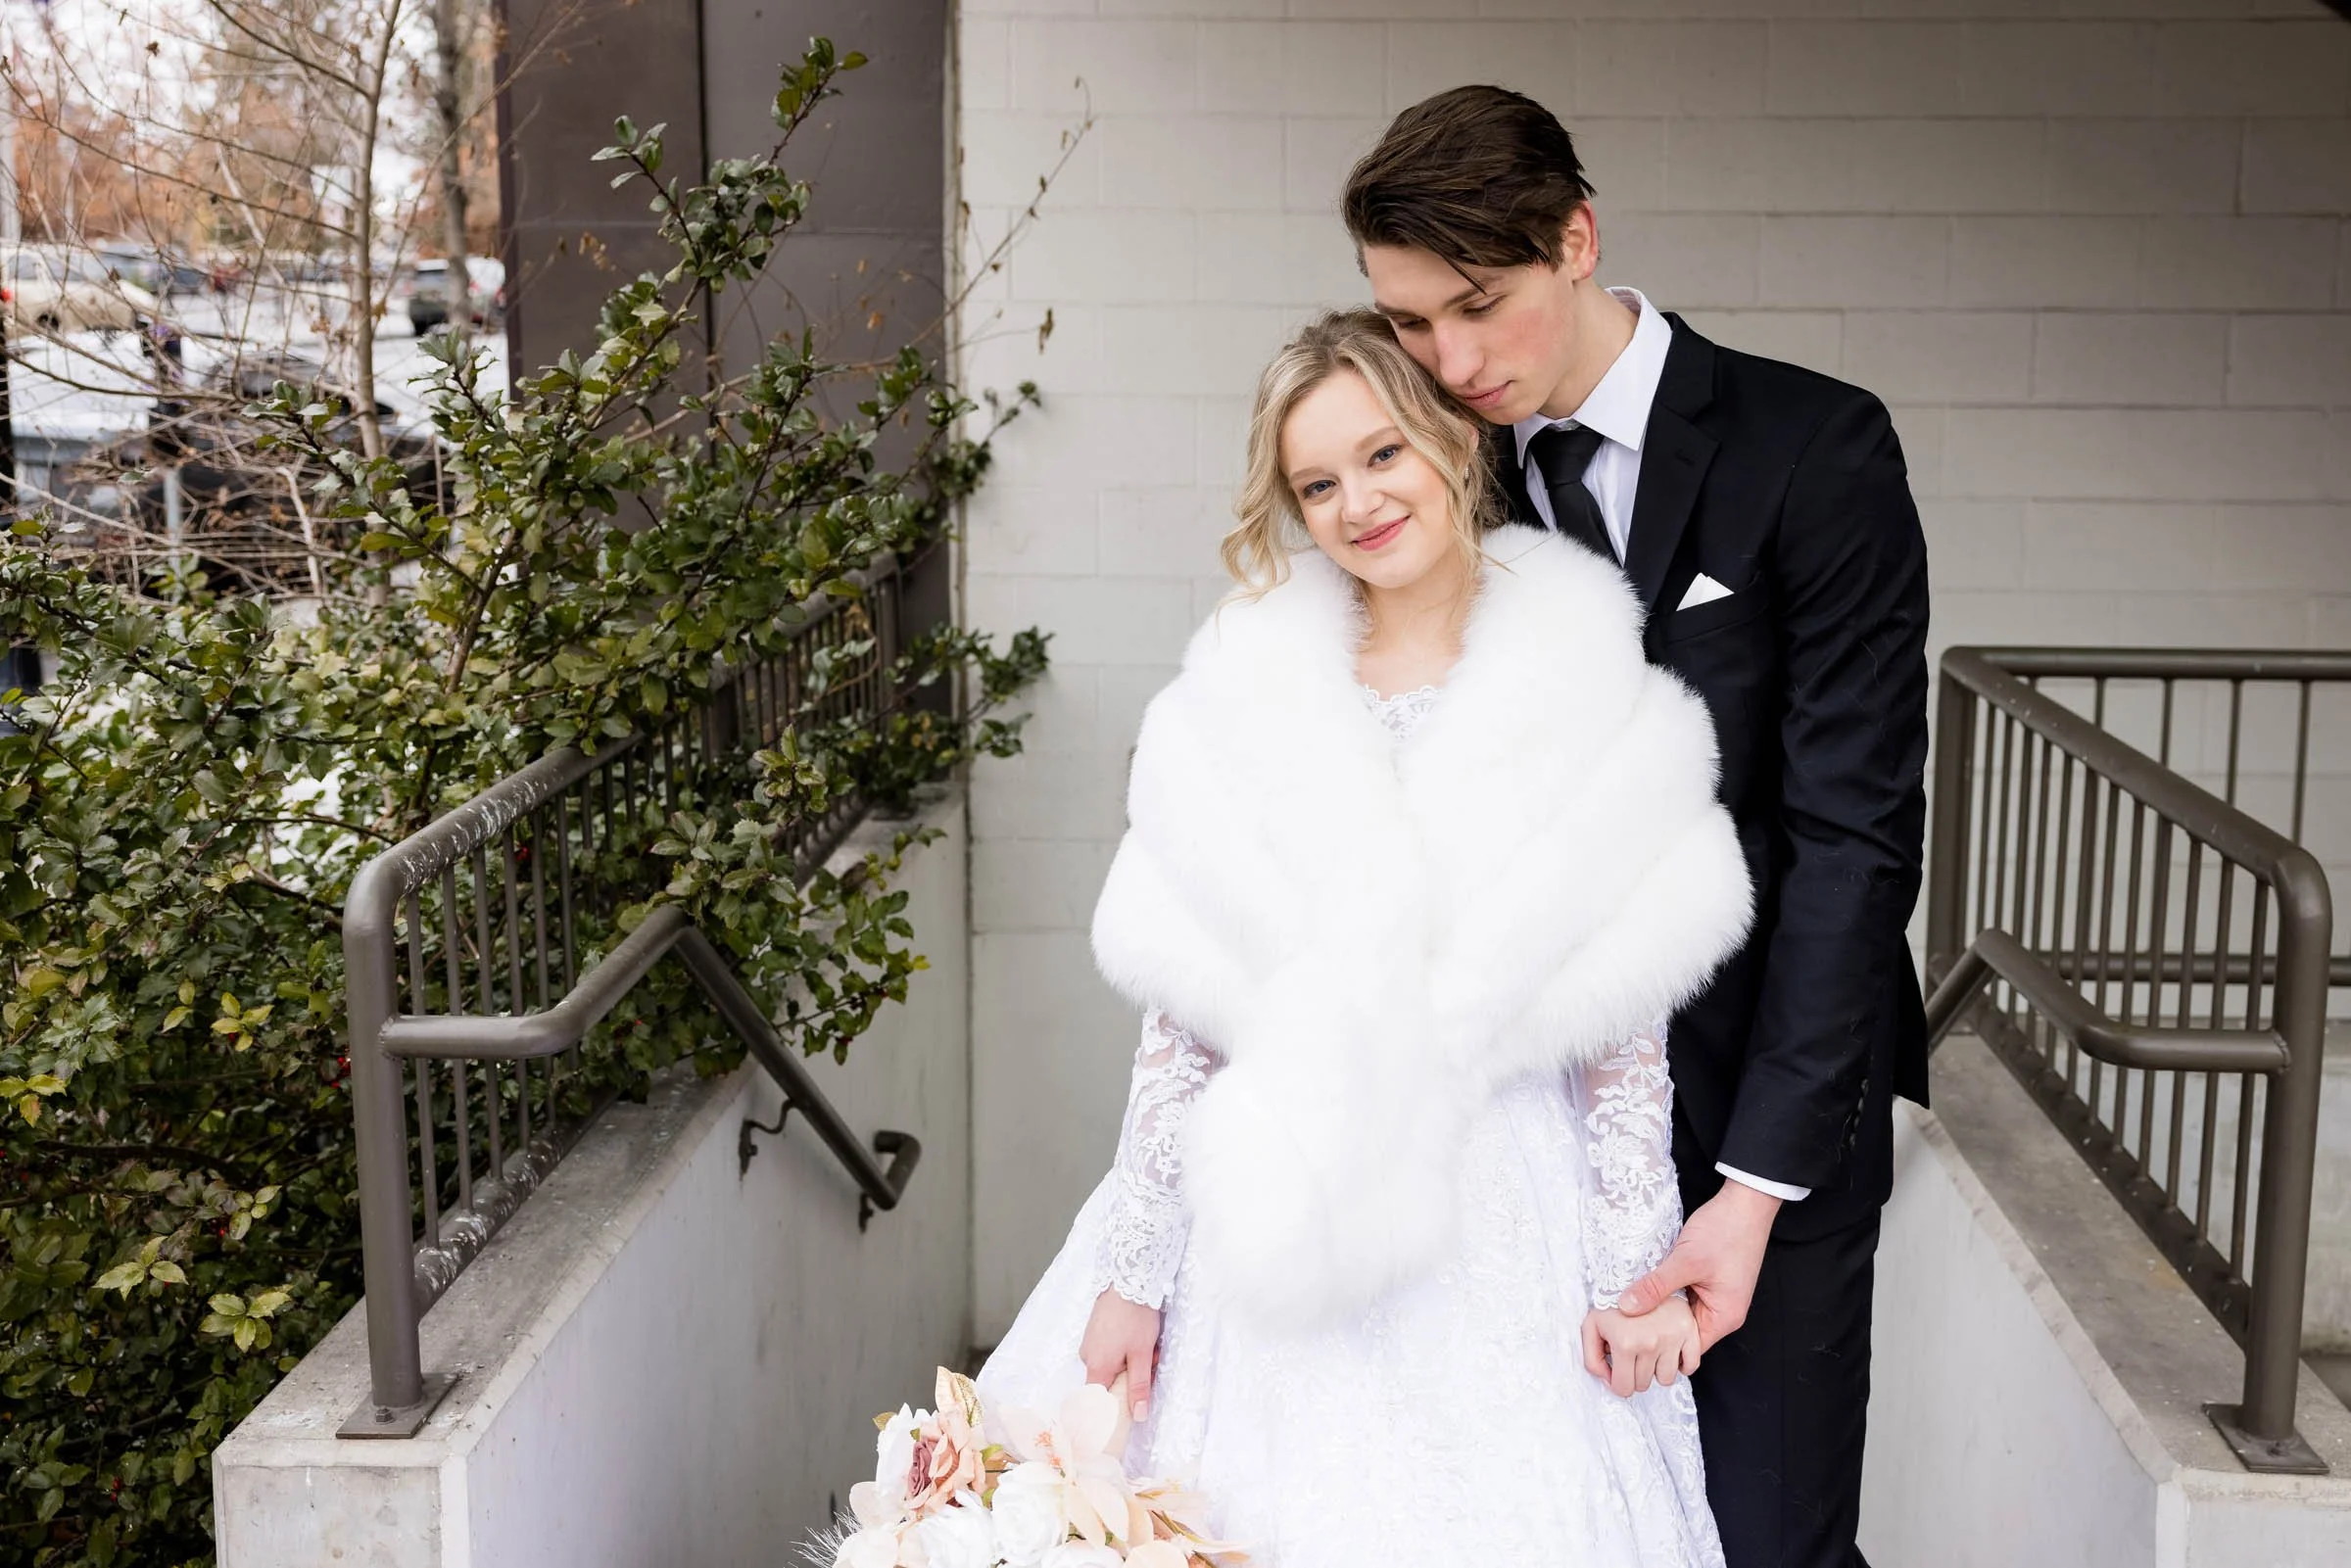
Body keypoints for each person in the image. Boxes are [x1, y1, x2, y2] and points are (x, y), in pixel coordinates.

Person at [978, 311, 1753, 1565]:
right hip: (1274, 1200)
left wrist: (1631, 1271)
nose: (1358, 503)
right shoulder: (1250, 686)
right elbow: (1185, 1027)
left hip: (1505, 1208)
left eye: (1382, 455)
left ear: (1452, 435)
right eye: (1317, 483)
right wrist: (1135, 1269)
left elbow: (1625, 1040)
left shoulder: (1577, 668)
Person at [1342, 87, 1933, 1568]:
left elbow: (1852, 842)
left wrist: (1752, 1194)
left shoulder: (1816, 449)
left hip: (1764, 1096)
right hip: (1521, 1128)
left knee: (1765, 1538)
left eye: (1477, 306)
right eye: (1409, 324)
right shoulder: (1428, 475)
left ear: (1577, 237)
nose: (1451, 362)